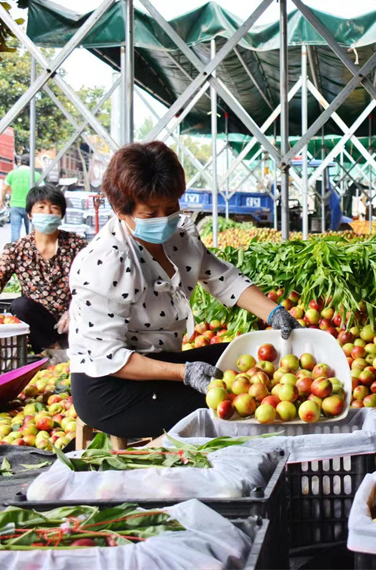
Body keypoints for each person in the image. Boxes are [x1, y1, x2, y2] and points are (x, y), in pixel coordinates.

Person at [67, 141, 299, 438]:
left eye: (171, 207)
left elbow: (224, 279)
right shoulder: (105, 262)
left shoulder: (179, 237)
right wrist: (183, 373)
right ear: (119, 211)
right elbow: (108, 357)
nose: (164, 219)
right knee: (233, 401)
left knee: (259, 357)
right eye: (151, 214)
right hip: (111, 386)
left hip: (164, 362)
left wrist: (275, 313)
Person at [0, 185, 86, 361]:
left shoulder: (77, 245)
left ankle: (67, 350)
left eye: (54, 208)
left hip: (75, 320)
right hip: (38, 325)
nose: (48, 213)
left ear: (61, 215)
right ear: (29, 214)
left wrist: (75, 308)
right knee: (20, 305)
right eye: (41, 207)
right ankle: (54, 350)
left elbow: (92, 281)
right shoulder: (17, 249)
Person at [1, 153, 43, 242]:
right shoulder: (36, 175)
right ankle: (31, 249)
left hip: (15, 205)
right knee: (31, 231)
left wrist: (2, 201)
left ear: (20, 162)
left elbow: (4, 188)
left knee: (15, 229)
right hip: (30, 206)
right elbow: (43, 190)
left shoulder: (12, 174)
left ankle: (15, 250)